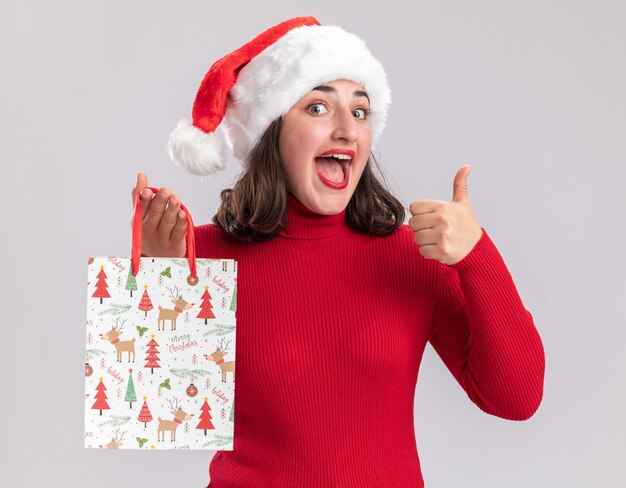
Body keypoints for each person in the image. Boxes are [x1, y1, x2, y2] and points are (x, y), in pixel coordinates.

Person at [131, 16, 545, 488]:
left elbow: (517, 399)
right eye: (318, 108)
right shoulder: (203, 253)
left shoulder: (413, 257)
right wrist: (158, 280)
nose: (348, 129)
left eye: (361, 111)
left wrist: (477, 257)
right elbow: (158, 422)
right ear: (271, 132)